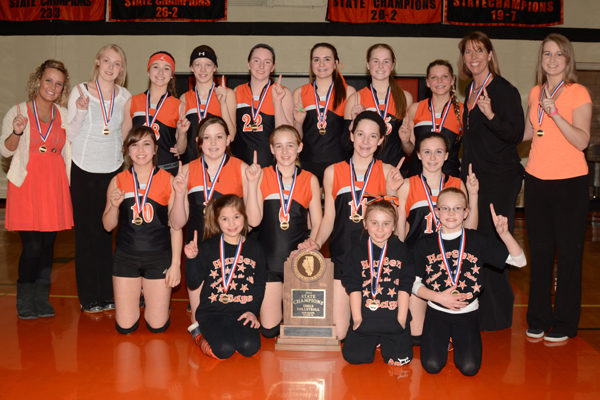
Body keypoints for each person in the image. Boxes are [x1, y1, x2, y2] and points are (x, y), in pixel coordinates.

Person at [299, 111, 405, 340]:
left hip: (375, 260)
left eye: (372, 136)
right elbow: (329, 218)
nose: (365, 142)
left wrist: (393, 192)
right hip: (343, 255)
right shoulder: (332, 171)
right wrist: (316, 242)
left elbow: (392, 221)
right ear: (351, 135)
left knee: (372, 328)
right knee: (339, 333)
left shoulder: (388, 172)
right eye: (360, 134)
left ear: (380, 140)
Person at [522, 34, 592, 342]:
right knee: (538, 253)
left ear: (568, 60)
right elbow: (527, 132)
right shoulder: (536, 91)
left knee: (568, 256)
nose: (552, 60)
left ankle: (564, 322)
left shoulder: (579, 93)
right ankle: (538, 317)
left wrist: (555, 114)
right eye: (547, 54)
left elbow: (582, 140)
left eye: (558, 55)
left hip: (570, 184)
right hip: (537, 180)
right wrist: (492, 118)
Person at [412, 187, 526, 376]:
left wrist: (505, 234)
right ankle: (443, 340)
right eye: (445, 208)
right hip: (436, 312)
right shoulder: (425, 243)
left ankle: (458, 339)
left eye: (457, 208)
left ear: (466, 213)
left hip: (467, 314)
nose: (451, 213)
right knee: (432, 365)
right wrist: (439, 298)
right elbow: (414, 283)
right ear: (437, 212)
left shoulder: (477, 240)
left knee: (469, 368)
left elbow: (520, 262)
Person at [458, 31, 524, 331]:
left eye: (479, 51)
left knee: (495, 243)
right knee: (476, 243)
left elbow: (516, 133)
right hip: (477, 179)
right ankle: (481, 310)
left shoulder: (503, 89)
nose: (473, 57)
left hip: (500, 178)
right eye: (468, 52)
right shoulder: (469, 92)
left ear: (490, 55)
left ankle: (498, 317)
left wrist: (491, 114)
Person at [0, 59, 73, 320]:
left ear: (63, 89)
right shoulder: (18, 111)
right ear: (38, 81)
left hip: (54, 183)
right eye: (49, 80)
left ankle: (42, 299)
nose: (53, 87)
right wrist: (17, 132)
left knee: (48, 245)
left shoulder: (64, 115)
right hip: (27, 184)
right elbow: (5, 149)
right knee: (31, 246)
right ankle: (24, 299)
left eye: (59, 84)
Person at [397, 131, 479, 343]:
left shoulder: (457, 184)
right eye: (427, 152)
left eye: (438, 152)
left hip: (450, 266)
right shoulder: (406, 185)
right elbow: (400, 230)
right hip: (418, 262)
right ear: (418, 155)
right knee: (416, 334)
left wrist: (474, 195)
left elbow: (470, 229)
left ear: (446, 156)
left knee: (442, 335)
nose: (432, 157)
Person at [68, 44, 131, 313]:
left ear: (121, 69)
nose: (111, 68)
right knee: (86, 235)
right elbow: (69, 134)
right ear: (97, 62)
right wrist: (81, 112)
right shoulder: (80, 91)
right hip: (83, 168)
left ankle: (107, 293)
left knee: (107, 234)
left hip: (112, 170)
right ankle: (88, 297)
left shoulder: (125, 96)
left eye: (117, 64)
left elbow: (125, 133)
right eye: (106, 61)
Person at [102, 126, 182, 334]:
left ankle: (156, 300)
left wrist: (175, 265)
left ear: (155, 149)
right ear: (127, 151)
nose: (140, 150)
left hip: (158, 258)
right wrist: (113, 205)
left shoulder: (168, 180)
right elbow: (108, 225)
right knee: (125, 327)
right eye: (134, 145)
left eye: (146, 144)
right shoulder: (117, 180)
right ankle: (137, 296)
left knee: (157, 326)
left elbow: (176, 227)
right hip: (125, 258)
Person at [245, 125, 322, 338]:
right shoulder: (261, 175)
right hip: (268, 262)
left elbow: (317, 223)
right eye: (279, 146)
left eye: (290, 145)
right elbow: (252, 221)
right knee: (269, 331)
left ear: (300, 147)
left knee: (297, 328)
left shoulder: (310, 179)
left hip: (297, 261)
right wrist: (252, 185)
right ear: (271, 149)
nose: (285, 151)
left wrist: (309, 247)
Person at [170, 116, 249, 321]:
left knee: (229, 320)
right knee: (200, 320)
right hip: (198, 250)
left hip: (232, 252)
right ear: (198, 141)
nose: (213, 143)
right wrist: (179, 194)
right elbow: (177, 223)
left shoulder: (242, 168)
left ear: (229, 139)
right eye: (207, 137)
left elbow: (254, 221)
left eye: (219, 137)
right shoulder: (186, 170)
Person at [184, 194, 267, 359]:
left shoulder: (255, 248)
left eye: (236, 217)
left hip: (242, 311)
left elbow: (259, 284)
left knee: (250, 348)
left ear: (244, 216)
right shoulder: (208, 247)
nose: (231, 224)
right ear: (216, 220)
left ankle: (230, 334)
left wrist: (252, 311)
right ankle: (198, 334)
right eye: (225, 219)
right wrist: (191, 259)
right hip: (212, 312)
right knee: (223, 350)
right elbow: (193, 283)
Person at [341, 198, 415, 366]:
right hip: (366, 317)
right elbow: (353, 286)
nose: (380, 229)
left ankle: (385, 338)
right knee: (353, 357)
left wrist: (401, 320)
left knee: (400, 360)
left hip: (393, 317)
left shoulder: (403, 251)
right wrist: (357, 319)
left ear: (394, 225)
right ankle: (374, 338)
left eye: (386, 223)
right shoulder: (356, 251)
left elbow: (405, 286)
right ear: (365, 224)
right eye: (374, 223)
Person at [292, 43, 355, 185]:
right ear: (311, 63)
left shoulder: (349, 92)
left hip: (338, 162)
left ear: (335, 64)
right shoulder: (299, 93)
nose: (321, 64)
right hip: (307, 161)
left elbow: (350, 137)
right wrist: (298, 123)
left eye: (327, 59)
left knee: (335, 207)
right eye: (316, 59)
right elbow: (296, 139)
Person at [345, 43, 413, 169]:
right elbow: (345, 146)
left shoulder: (405, 98)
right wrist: (353, 124)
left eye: (386, 61)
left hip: (395, 171)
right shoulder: (355, 99)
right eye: (376, 61)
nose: (381, 66)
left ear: (392, 66)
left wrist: (406, 141)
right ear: (368, 65)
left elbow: (410, 151)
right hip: (365, 172)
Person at [122, 51, 189, 176]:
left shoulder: (179, 106)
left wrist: (181, 133)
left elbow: (181, 149)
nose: (160, 72)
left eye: (166, 68)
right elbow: (123, 136)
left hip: (167, 168)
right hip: (139, 167)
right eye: (156, 67)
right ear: (148, 71)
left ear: (171, 75)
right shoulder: (133, 101)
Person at [232, 44, 294, 168]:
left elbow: (286, 134)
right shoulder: (236, 91)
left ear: (273, 67)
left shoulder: (283, 92)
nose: (261, 66)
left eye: (267, 62)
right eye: (256, 61)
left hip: (271, 165)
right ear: (248, 64)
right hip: (240, 165)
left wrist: (277, 102)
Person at [403, 60, 463, 177]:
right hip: (417, 178)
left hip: (449, 179)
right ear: (427, 82)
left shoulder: (464, 111)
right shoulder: (415, 109)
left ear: (453, 80)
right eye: (434, 77)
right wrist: (405, 141)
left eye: (444, 76)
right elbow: (410, 151)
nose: (439, 81)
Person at [180, 45, 236, 164]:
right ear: (191, 68)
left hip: (219, 162)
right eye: (198, 65)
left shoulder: (228, 94)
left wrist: (223, 104)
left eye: (208, 65)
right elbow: (181, 140)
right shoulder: (184, 98)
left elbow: (232, 135)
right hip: (191, 162)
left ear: (215, 68)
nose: (203, 69)